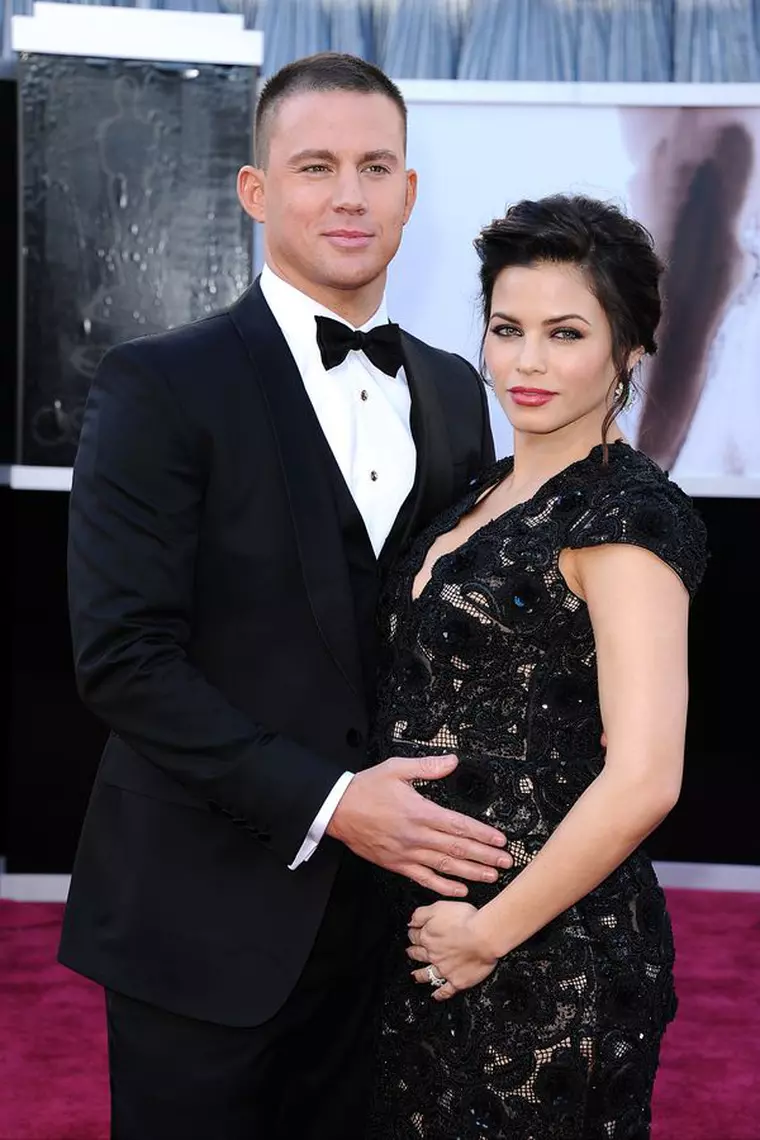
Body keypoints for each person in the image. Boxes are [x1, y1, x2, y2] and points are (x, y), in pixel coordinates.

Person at [58, 53, 511, 1140]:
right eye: (315, 166)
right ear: (257, 192)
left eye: (374, 167)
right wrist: (333, 803)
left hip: (393, 936)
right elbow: (124, 659)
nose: (348, 195)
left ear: (409, 193)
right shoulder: (159, 385)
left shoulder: (455, 387)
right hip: (199, 917)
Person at [368, 194, 708, 1139]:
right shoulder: (477, 494)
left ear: (630, 348)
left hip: (544, 954)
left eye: (566, 333)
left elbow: (645, 776)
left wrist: (487, 934)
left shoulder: (628, 519)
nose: (527, 361)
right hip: (426, 935)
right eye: (506, 328)